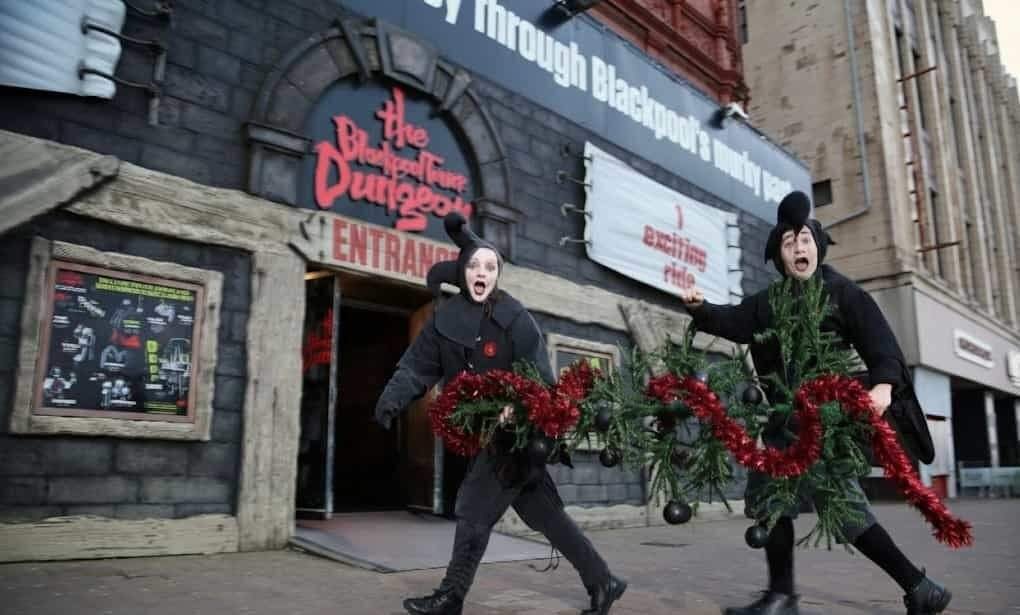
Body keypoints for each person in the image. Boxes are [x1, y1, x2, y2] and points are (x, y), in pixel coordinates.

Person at [678, 191, 950, 615]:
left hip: (825, 423)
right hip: (782, 423)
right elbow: (734, 321)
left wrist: (883, 387)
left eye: (805, 239)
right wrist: (700, 308)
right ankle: (782, 595)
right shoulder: (769, 303)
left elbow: (882, 347)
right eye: (789, 243)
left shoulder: (843, 294)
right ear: (780, 256)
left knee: (844, 510)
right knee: (772, 500)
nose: (798, 248)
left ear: (817, 247)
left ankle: (920, 586)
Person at [373, 213, 626, 615]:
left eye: (490, 267)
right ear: (462, 271)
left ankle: (451, 597)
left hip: (516, 438)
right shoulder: (443, 321)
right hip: (486, 437)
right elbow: (417, 367)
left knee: (473, 508)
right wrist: (391, 400)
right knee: (546, 515)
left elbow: (541, 378)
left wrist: (520, 406)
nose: (482, 272)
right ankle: (603, 581)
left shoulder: (515, 318)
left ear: (497, 275)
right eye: (475, 265)